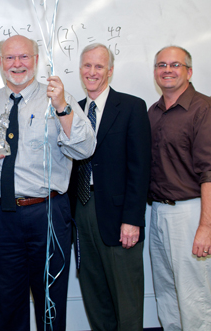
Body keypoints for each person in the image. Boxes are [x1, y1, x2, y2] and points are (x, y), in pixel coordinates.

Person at [0, 34, 96, 331]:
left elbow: (84, 149)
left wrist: (61, 108)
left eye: (24, 57)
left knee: (50, 301)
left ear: (36, 60)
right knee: (6, 303)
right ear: (0, 62)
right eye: (10, 57)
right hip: (1, 215)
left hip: (47, 214)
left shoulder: (58, 97)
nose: (17, 64)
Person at [66, 43, 151, 331]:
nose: (92, 72)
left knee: (126, 301)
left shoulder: (131, 107)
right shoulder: (73, 111)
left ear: (110, 71)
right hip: (82, 212)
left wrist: (132, 219)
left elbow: (140, 169)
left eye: (99, 66)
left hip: (119, 218)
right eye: (87, 66)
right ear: (80, 70)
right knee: (94, 295)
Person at [147, 46, 211, 331]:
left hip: (192, 212)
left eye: (175, 65)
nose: (167, 70)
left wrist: (206, 226)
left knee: (195, 297)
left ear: (189, 72)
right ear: (155, 72)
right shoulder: (153, 112)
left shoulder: (205, 110)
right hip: (159, 212)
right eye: (161, 65)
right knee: (167, 294)